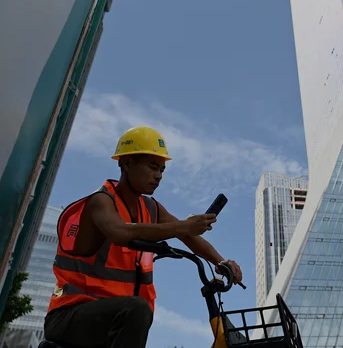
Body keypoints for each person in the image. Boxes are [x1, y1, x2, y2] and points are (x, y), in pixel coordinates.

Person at [44, 126, 243, 348]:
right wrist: (181, 227)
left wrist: (220, 261)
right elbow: (119, 232)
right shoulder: (101, 202)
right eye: (152, 167)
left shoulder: (150, 208)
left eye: (162, 170)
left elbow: (188, 237)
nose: (158, 176)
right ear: (127, 163)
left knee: (139, 312)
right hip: (71, 315)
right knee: (137, 309)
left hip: (118, 321)